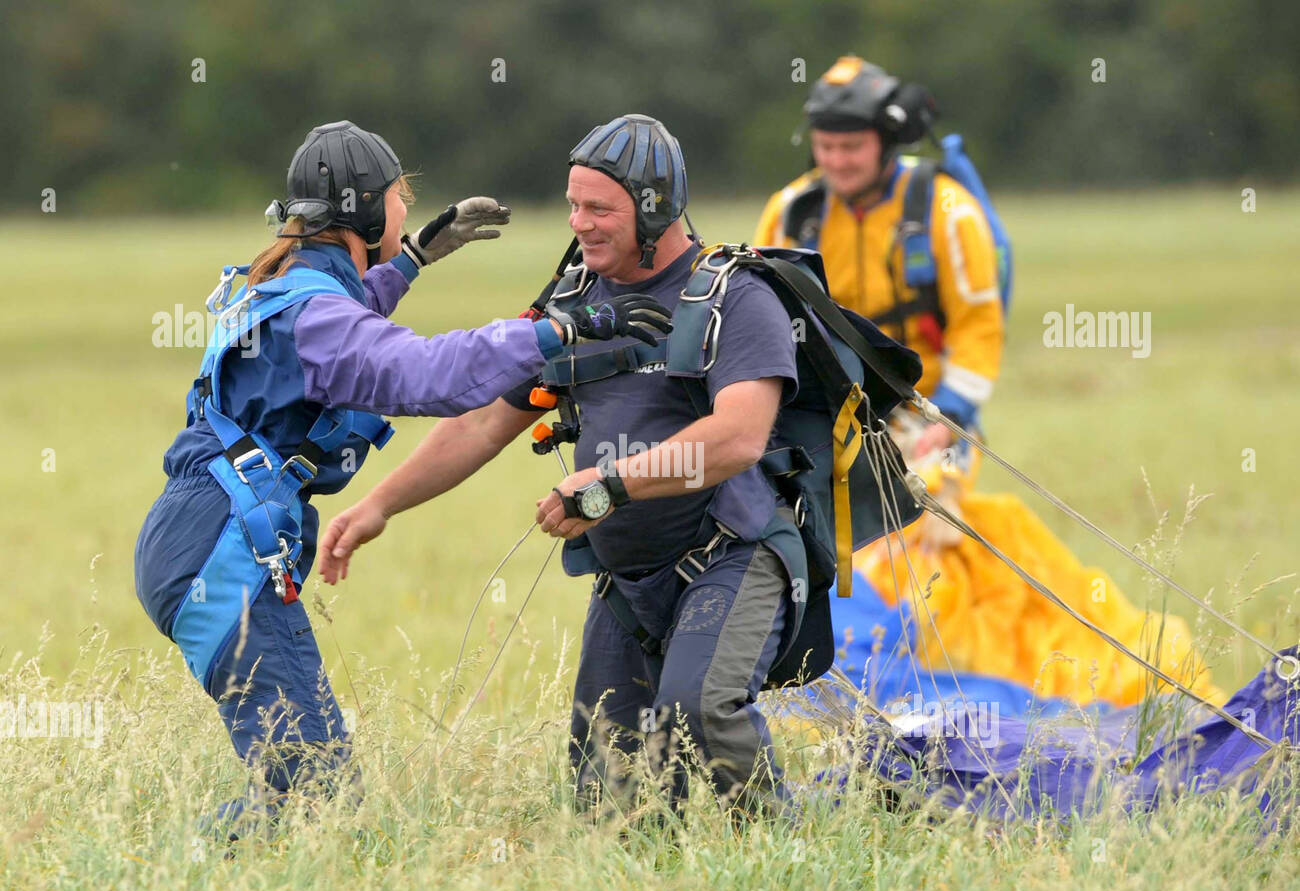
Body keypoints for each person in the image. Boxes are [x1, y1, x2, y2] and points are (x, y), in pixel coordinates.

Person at [133, 120, 669, 839]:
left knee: (313, 785)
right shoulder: (315, 314)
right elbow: (426, 374)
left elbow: (339, 326)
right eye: (399, 201)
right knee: (312, 797)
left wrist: (411, 260)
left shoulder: (286, 283)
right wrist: (561, 330)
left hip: (199, 536)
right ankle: (184, 867)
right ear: (364, 209)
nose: (406, 212)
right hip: (222, 555)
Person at [321, 114, 810, 819]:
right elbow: (486, 420)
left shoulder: (737, 296)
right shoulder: (575, 300)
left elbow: (737, 437)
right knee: (606, 794)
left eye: (598, 208)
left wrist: (609, 484)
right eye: (574, 204)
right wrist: (378, 506)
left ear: (653, 208)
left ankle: (781, 847)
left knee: (699, 710)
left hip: (730, 553)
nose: (578, 223)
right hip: (627, 581)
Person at [755, 55, 1005, 548]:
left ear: (886, 142)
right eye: (825, 147)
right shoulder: (790, 214)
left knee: (931, 534)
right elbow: (758, 317)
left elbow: (978, 325)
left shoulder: (947, 209)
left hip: (926, 419)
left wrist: (949, 417)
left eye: (852, 147)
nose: (837, 161)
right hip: (823, 420)